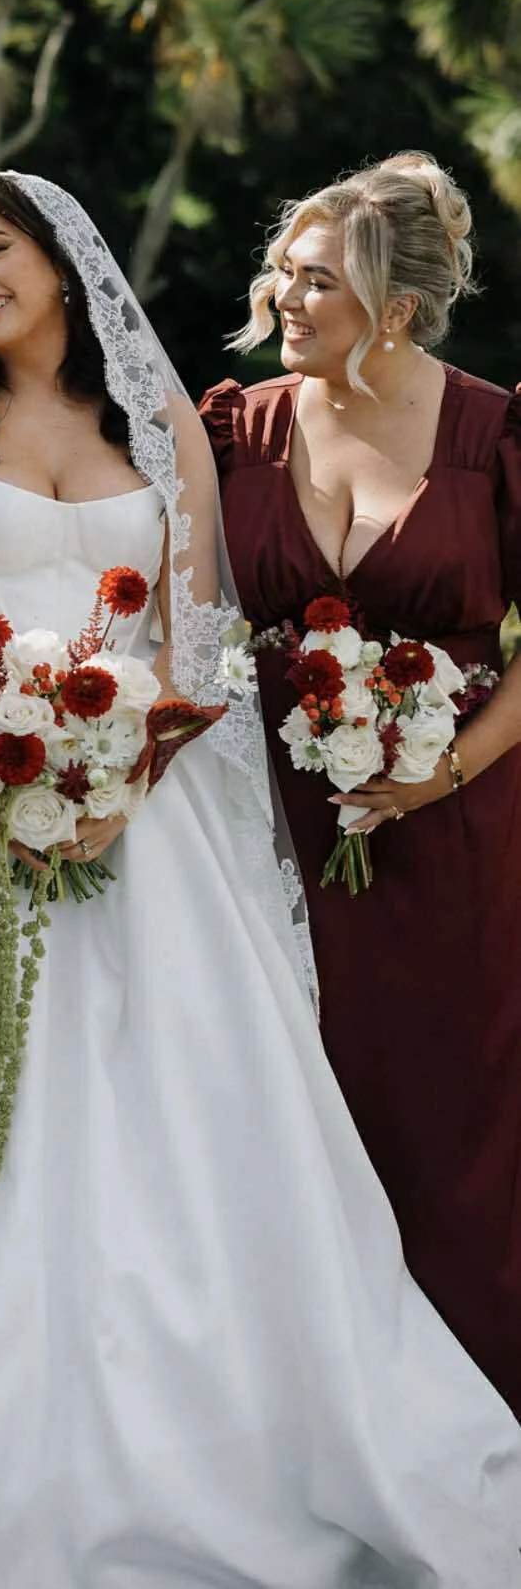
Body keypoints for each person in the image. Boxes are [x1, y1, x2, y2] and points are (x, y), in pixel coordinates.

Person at [0, 172, 521, 1587]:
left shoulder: (170, 423)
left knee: (192, 1130)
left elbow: (198, 647)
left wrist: (118, 782)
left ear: (63, 261)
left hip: (143, 812)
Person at [200, 150, 521, 1420]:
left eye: (317, 279)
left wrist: (445, 770)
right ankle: (315, 1418)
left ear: (396, 307)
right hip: (270, 835)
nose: (286, 295)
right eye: (284, 271)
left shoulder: (497, 434)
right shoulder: (242, 424)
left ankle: (476, 1408)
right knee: (294, 1111)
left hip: (457, 835)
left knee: (454, 1117)